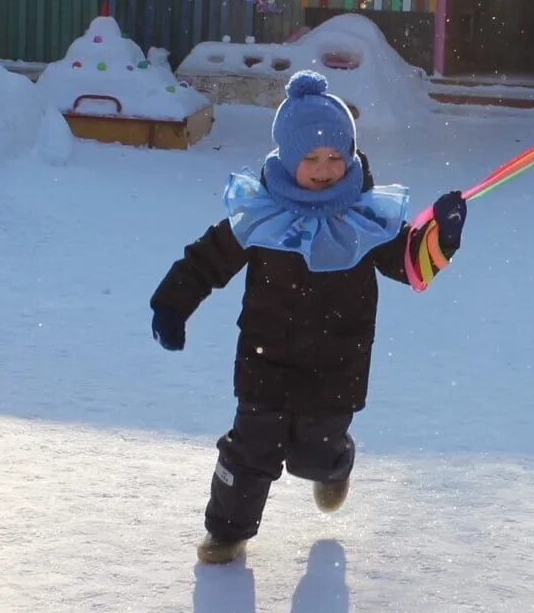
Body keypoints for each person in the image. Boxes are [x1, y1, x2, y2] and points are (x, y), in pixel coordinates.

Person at [150, 70, 467, 565]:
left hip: (337, 361)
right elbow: (206, 260)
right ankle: (226, 533)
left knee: (312, 454)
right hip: (264, 356)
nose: (323, 170)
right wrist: (172, 303)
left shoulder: (365, 218)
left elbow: (411, 265)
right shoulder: (261, 213)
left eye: (335, 158)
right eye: (310, 159)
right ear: (286, 159)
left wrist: (440, 237)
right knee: (249, 449)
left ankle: (334, 467)